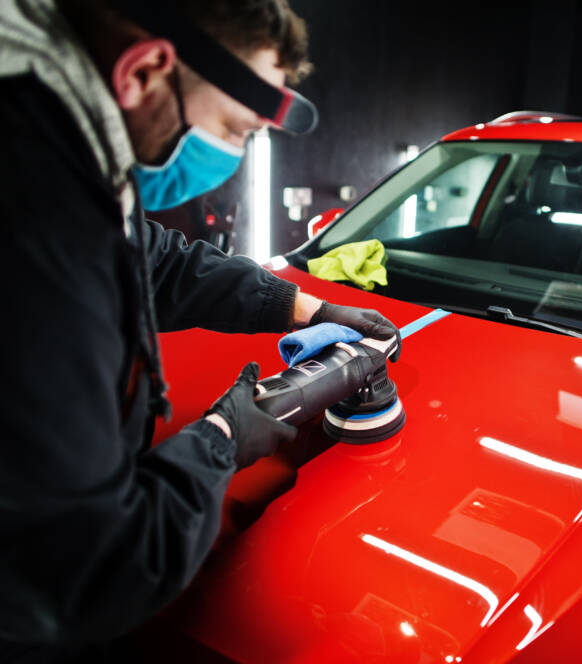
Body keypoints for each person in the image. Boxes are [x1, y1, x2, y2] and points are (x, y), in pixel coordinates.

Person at [0, 0, 399, 659]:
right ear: (145, 70)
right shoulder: (40, 217)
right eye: (236, 131)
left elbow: (148, 255)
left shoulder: (57, 129)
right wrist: (222, 437)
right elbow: (89, 572)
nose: (236, 158)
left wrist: (304, 308)